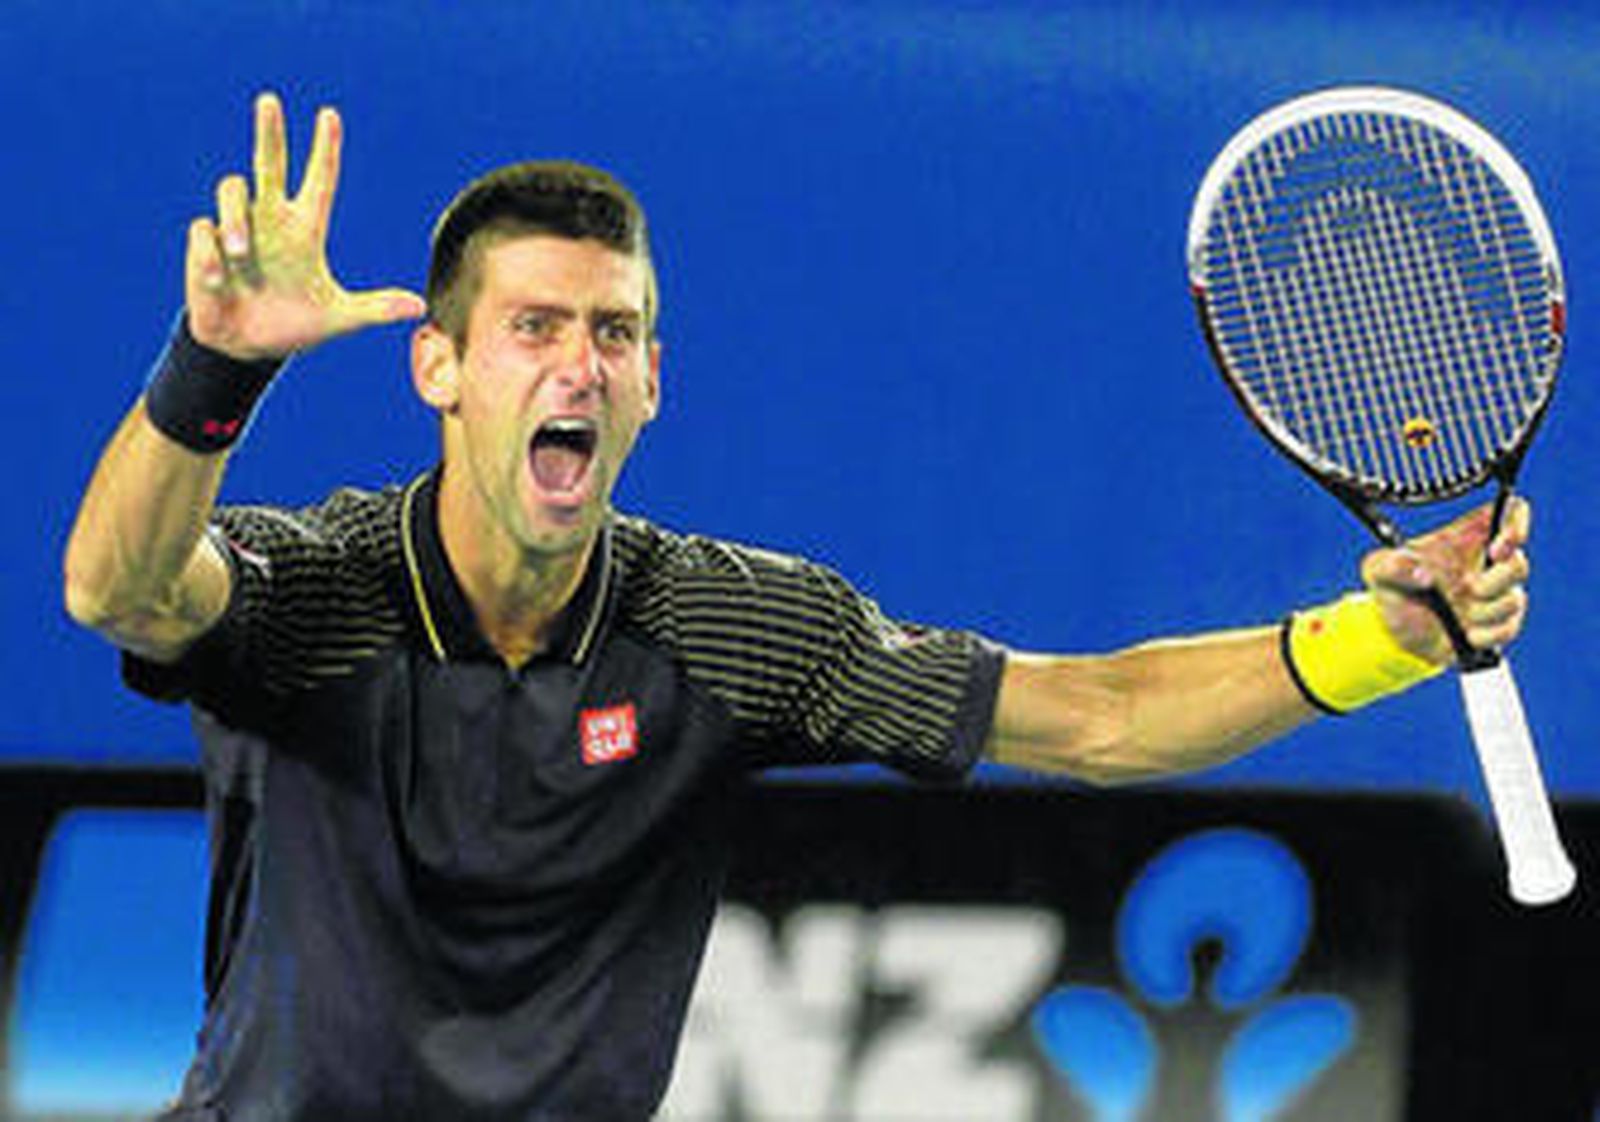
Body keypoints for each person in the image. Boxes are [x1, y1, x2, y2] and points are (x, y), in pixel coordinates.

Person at [63, 93, 1532, 1122]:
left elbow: (1095, 717)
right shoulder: (319, 588)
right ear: (437, 368)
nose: (579, 366)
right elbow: (115, 585)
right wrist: (215, 365)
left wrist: (1380, 640)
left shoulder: (733, 627)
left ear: (652, 383)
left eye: (615, 333)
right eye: (533, 328)